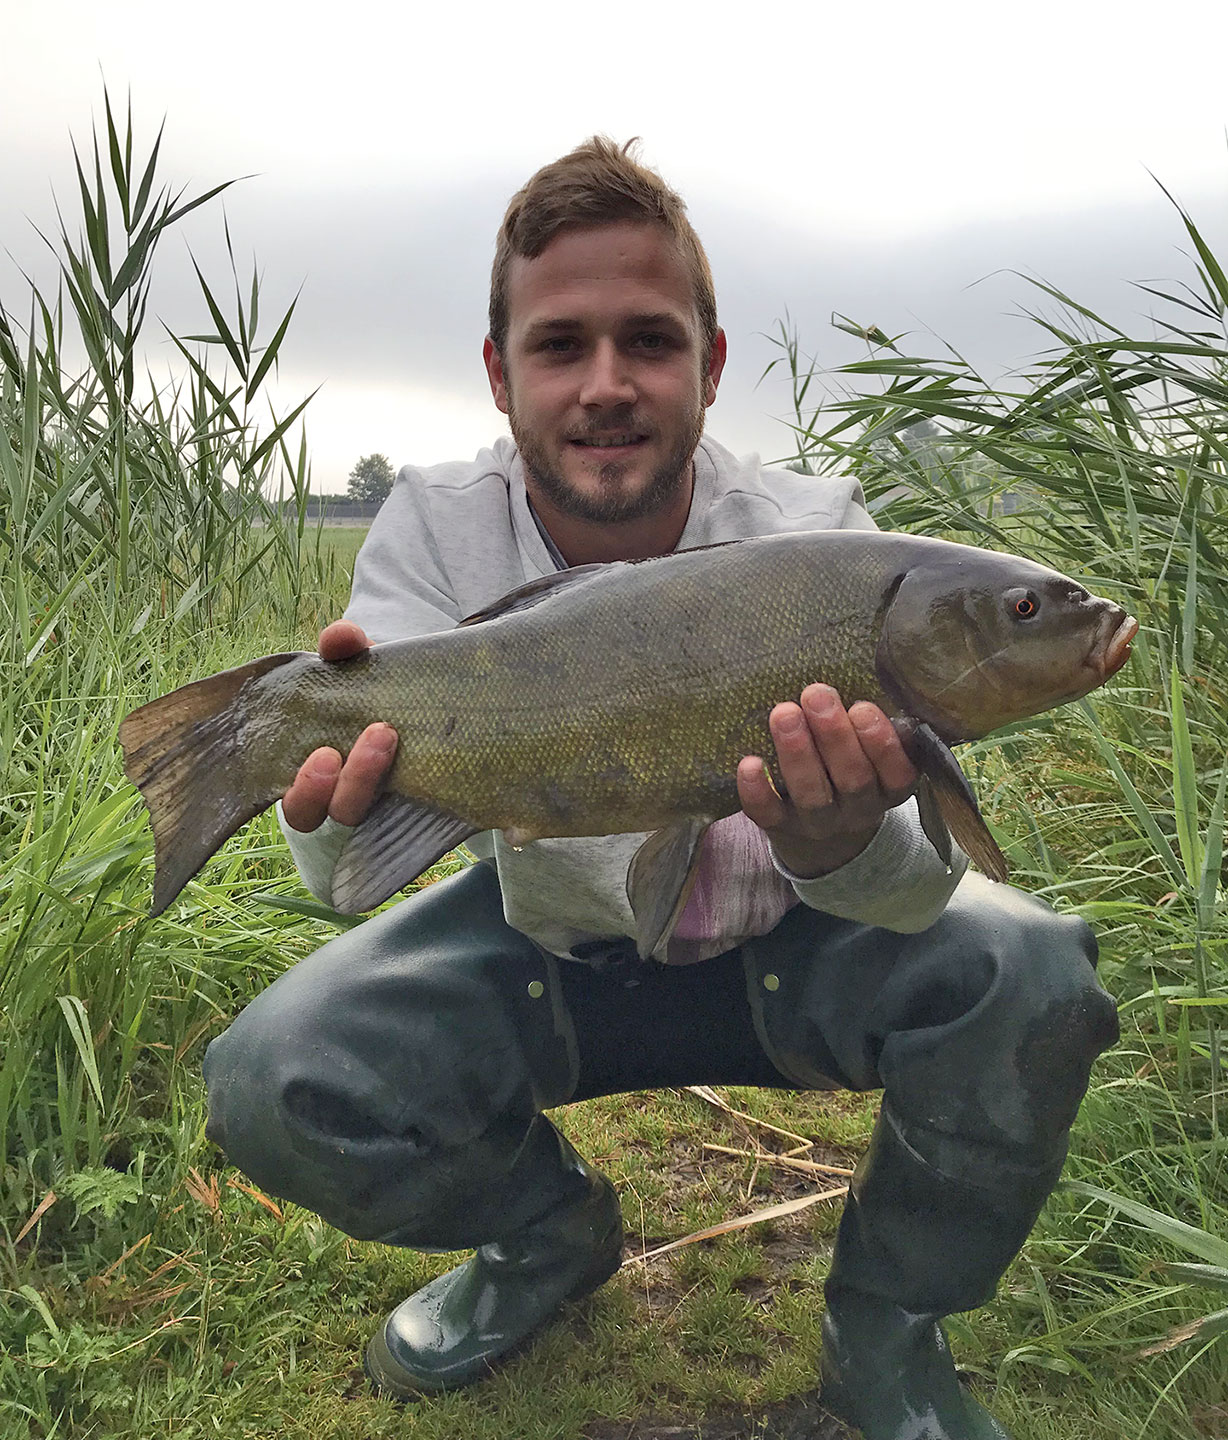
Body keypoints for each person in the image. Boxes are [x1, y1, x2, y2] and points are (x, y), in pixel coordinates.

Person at [202, 139, 1119, 1440]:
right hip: (550, 955)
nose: (607, 384)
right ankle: (544, 1237)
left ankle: (887, 1329)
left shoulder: (820, 534)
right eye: (560, 346)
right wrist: (321, 803)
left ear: (711, 361)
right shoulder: (432, 528)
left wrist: (837, 842)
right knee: (270, 1075)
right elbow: (349, 872)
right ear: (499, 374)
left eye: (649, 340)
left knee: (1037, 978)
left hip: (794, 946)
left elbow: (917, 896)